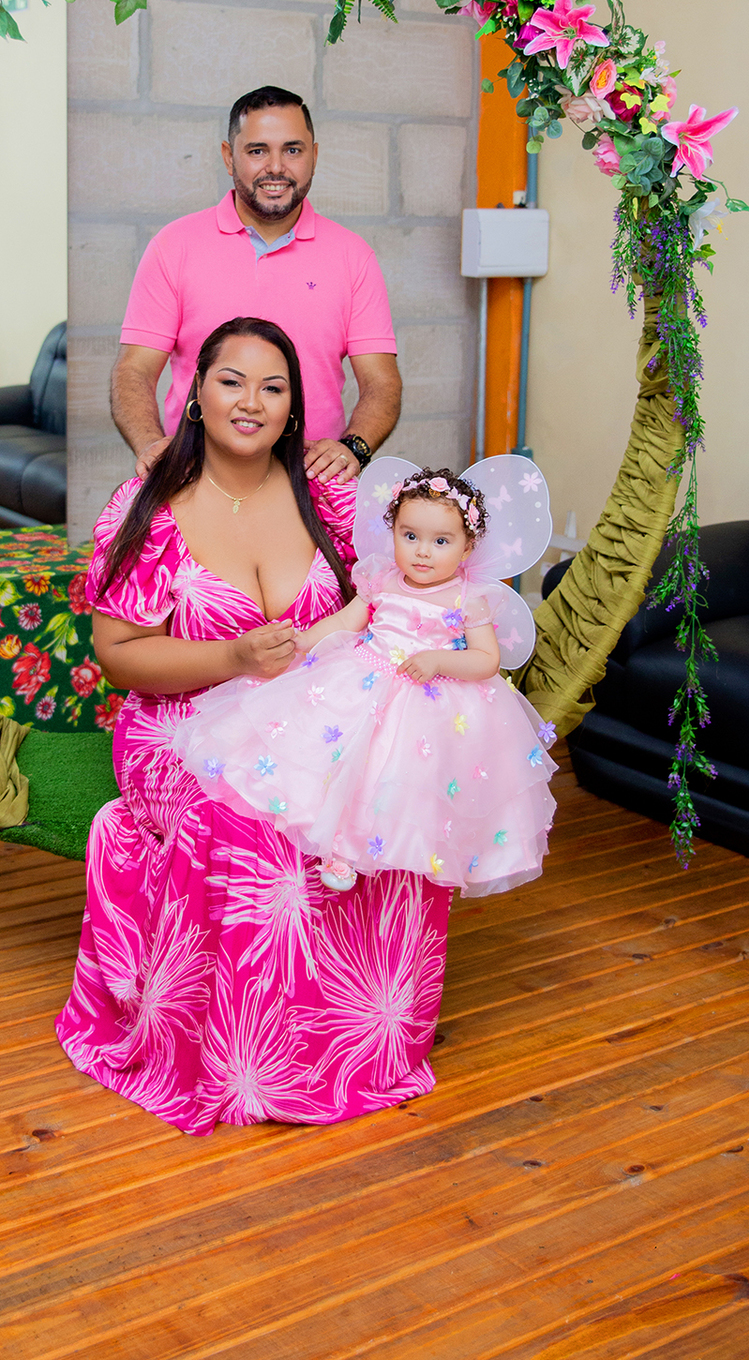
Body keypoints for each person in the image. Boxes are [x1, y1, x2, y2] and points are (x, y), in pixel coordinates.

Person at [55, 316, 454, 1136]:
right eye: (231, 381)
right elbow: (120, 655)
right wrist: (234, 657)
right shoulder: (150, 506)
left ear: (294, 408)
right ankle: (251, 1060)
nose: (251, 401)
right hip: (183, 725)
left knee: (397, 788)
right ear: (194, 396)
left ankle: (353, 1042)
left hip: (325, 716)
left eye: (273, 387)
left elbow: (410, 583)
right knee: (250, 815)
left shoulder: (334, 499)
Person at [172, 466, 559, 894]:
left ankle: (379, 848)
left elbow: (487, 660)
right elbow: (347, 621)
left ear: (467, 548)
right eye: (410, 536)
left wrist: (436, 660)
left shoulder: (468, 598)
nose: (423, 552)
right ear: (393, 532)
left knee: (395, 774)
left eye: (441, 541)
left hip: (429, 701)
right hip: (366, 678)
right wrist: (303, 641)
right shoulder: (382, 579)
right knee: (346, 760)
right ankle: (338, 847)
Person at [111, 85, 401, 487]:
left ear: (314, 155)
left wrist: (354, 448)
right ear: (230, 157)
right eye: (258, 150)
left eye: (293, 150)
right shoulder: (173, 247)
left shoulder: (354, 257)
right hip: (195, 484)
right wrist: (150, 444)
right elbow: (135, 369)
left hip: (311, 489)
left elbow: (382, 382)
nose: (277, 167)